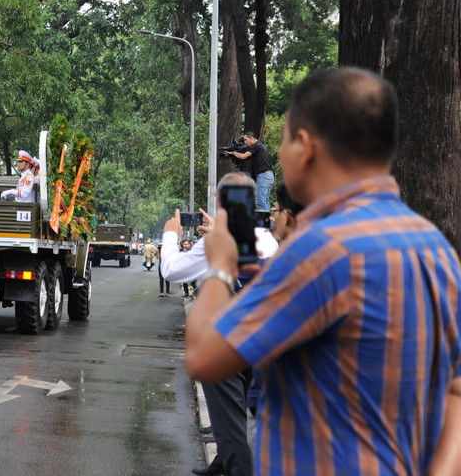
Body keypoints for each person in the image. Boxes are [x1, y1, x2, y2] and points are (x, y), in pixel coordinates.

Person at [187, 67, 461, 476]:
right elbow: (455, 388)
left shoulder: (319, 249)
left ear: (305, 146)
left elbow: (205, 357)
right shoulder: (436, 249)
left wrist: (222, 267)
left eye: (282, 141)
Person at [161, 173, 264, 476]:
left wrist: (171, 234)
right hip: (268, 339)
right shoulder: (265, 234)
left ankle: (232, 463)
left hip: (227, 340)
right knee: (246, 412)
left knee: (231, 423)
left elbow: (171, 270)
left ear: (219, 201)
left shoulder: (215, 244)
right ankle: (223, 459)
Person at [223, 131, 274, 211]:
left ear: (251, 138)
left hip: (264, 175)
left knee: (260, 201)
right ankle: (268, 221)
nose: (245, 142)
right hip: (268, 175)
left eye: (246, 140)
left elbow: (243, 156)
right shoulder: (260, 146)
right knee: (264, 201)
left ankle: (265, 221)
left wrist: (233, 152)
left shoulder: (257, 146)